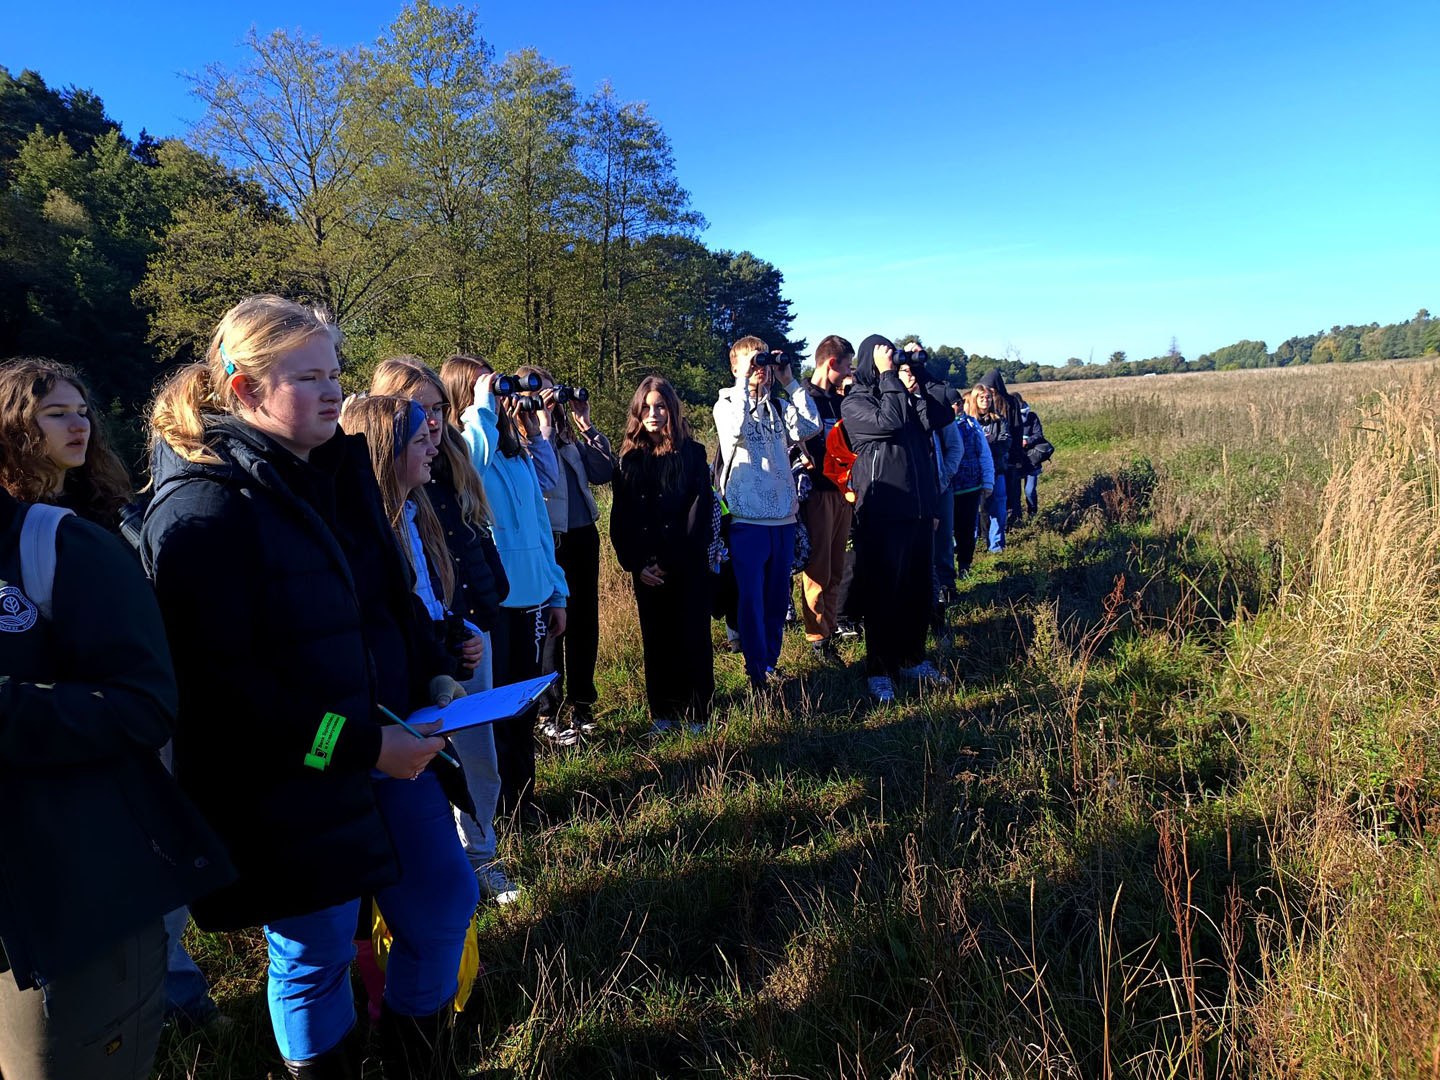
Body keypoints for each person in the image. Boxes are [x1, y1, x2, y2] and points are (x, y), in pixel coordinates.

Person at [142, 295, 477, 1078]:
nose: (333, 392)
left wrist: (432, 666)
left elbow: (390, 602)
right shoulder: (202, 509)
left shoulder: (342, 471)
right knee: (316, 951)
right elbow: (225, 698)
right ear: (244, 388)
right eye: (308, 378)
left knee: (443, 902)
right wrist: (363, 748)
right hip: (293, 785)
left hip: (394, 746)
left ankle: (416, 1062)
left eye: (334, 373)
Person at [0, 357, 225, 1030]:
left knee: (154, 866)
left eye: (82, 412)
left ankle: (170, 995)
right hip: (62, 761)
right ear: (12, 425)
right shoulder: (14, 533)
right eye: (55, 414)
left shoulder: (104, 510)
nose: (79, 426)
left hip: (133, 719)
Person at [371, 357, 517, 905]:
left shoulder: (449, 460)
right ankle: (434, 877)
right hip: (415, 655)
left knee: (479, 758)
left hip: (464, 634)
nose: (432, 423)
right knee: (423, 767)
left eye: (438, 409)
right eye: (419, 411)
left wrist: (474, 617)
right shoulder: (378, 495)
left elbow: (469, 543)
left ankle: (482, 858)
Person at [450, 357, 568, 819]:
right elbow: (468, 466)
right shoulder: (462, 450)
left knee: (522, 708)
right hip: (493, 604)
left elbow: (539, 522)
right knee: (492, 713)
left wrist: (556, 591)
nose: (500, 398)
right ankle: (495, 810)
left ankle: (523, 801)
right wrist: (480, 408)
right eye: (488, 390)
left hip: (532, 596)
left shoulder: (511, 450)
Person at [840, 335, 947, 703]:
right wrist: (890, 377)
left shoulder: (903, 394)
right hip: (883, 512)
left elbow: (942, 414)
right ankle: (880, 671)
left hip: (918, 509)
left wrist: (919, 373)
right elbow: (890, 421)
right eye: (886, 361)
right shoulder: (855, 401)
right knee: (883, 594)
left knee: (918, 592)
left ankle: (912, 658)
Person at [712, 335, 820, 689]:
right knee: (751, 600)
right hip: (748, 521)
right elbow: (736, 430)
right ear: (735, 367)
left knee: (776, 600)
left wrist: (790, 381)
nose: (761, 368)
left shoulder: (778, 407)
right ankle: (756, 670)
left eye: (764, 362)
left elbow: (810, 427)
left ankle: (770, 663)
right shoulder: (726, 404)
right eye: (753, 361)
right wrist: (745, 382)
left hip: (783, 519)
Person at [518, 364, 616, 746]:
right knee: (551, 629)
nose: (548, 400)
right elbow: (544, 479)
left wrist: (585, 423)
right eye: (539, 394)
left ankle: (582, 705)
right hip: (552, 540)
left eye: (551, 392)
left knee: (584, 623)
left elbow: (604, 472)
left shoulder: (567, 434)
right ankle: (548, 712)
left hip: (583, 535)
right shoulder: (522, 437)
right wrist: (540, 424)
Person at [610, 376, 715, 733]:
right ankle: (664, 712)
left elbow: (700, 513)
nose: (653, 414)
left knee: (693, 637)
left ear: (671, 410)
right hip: (646, 569)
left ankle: (698, 712)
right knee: (657, 641)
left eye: (660, 406)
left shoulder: (693, 454)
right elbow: (621, 519)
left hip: (687, 564)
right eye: (646, 408)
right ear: (637, 412)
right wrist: (636, 564)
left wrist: (674, 561)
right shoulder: (628, 460)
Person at [896, 349, 963, 640]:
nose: (909, 374)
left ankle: (945, 591)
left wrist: (941, 479)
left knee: (942, 543)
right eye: (904, 369)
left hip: (938, 487)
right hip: (909, 493)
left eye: (914, 369)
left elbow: (955, 447)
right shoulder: (893, 405)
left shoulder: (934, 403)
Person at [796, 334, 854, 663]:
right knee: (818, 569)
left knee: (835, 568)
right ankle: (818, 639)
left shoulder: (840, 400)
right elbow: (806, 449)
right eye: (845, 367)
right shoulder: (804, 398)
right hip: (817, 493)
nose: (848, 373)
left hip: (842, 493)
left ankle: (830, 630)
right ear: (831, 363)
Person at [975, 369, 1026, 530]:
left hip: (1007, 452)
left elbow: (1017, 429)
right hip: (991, 456)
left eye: (991, 389)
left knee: (1009, 493)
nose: (989, 394)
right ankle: (988, 529)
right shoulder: (981, 407)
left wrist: (1017, 456)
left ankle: (1012, 523)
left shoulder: (1010, 402)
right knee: (988, 499)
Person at [950, 393, 993, 580]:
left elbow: (984, 453)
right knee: (948, 531)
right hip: (948, 488)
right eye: (953, 403)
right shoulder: (939, 425)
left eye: (959, 402)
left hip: (971, 487)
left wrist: (988, 482)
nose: (957, 406)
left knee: (967, 530)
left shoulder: (972, 424)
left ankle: (964, 567)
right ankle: (946, 570)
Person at [968, 382, 1013, 552]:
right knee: (972, 511)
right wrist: (980, 442)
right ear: (975, 399)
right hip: (972, 473)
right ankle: (969, 545)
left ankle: (996, 546)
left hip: (996, 469)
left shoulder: (999, 420)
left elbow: (1006, 442)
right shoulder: (968, 421)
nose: (985, 400)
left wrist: (989, 443)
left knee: (998, 508)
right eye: (981, 397)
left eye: (988, 397)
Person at [1018, 395, 1045, 516]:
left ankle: (1032, 514)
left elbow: (1039, 435)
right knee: (1015, 493)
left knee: (1029, 491)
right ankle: (1016, 517)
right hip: (1017, 460)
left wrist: (1027, 441)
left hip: (1032, 459)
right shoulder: (1008, 417)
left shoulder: (1032, 416)